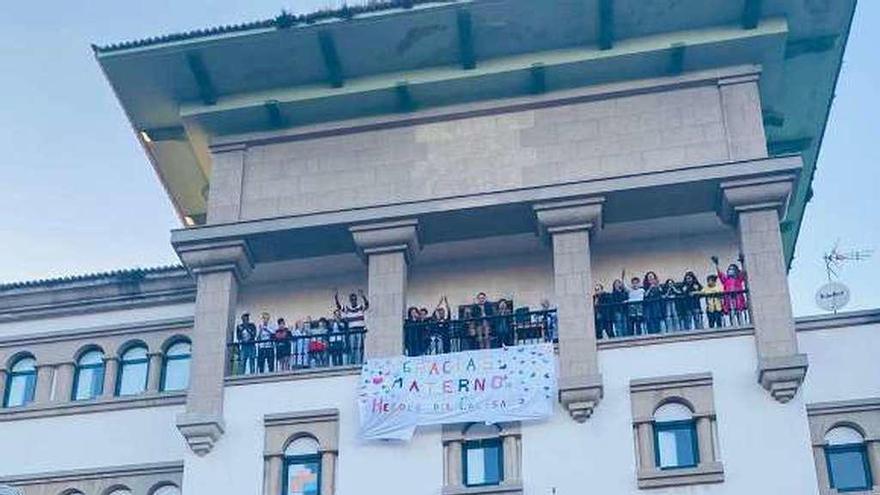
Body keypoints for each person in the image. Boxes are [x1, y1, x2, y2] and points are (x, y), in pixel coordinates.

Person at [713, 255, 749, 327]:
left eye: (732, 269)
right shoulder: (726, 280)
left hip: (738, 298)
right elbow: (720, 274)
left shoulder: (738, 279)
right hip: (729, 299)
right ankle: (733, 324)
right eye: (729, 269)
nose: (730, 271)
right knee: (731, 313)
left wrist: (742, 262)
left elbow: (743, 272)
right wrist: (717, 264)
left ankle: (741, 324)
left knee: (739, 312)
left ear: (736, 271)